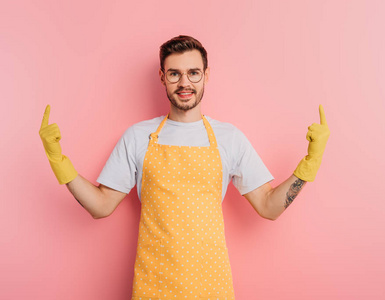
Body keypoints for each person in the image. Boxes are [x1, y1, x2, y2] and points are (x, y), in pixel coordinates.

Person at [39, 35, 330, 300]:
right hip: (155, 283)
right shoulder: (138, 136)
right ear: (162, 77)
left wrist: (308, 164)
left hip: (211, 284)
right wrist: (59, 162)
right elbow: (100, 206)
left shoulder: (229, 138)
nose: (184, 83)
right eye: (175, 73)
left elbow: (269, 207)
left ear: (206, 76)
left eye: (193, 73)